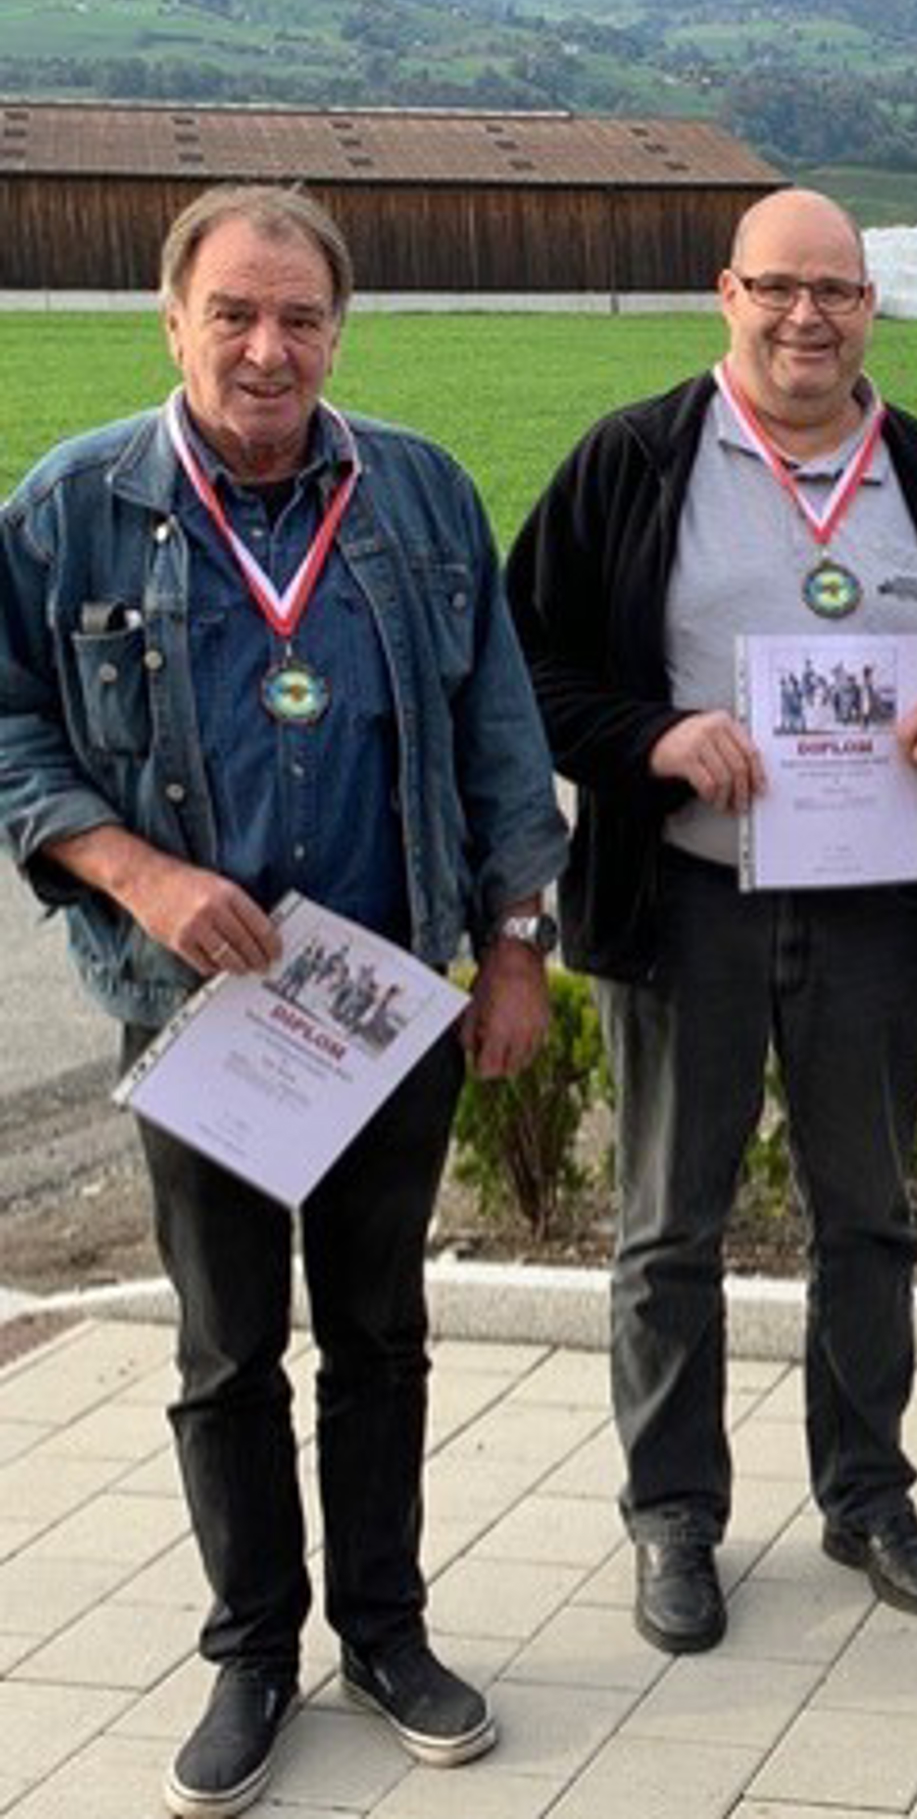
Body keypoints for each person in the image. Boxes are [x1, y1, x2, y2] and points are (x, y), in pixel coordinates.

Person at [0, 183, 568, 1817]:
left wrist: (515, 944)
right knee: (227, 1344)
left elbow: (499, 732)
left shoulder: (421, 493)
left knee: (381, 1332)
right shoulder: (73, 507)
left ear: (339, 328)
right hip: (202, 1014)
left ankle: (385, 1632)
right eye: (234, 314)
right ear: (171, 319)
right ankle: (252, 1649)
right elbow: (10, 723)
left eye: (299, 317)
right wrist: (136, 873)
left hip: (383, 1002)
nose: (267, 348)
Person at [506, 188, 917, 1655]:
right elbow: (522, 661)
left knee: (867, 1217)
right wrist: (651, 737)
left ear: (871, 305)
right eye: (778, 288)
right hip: (689, 898)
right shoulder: (635, 461)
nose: (807, 316)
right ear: (726, 294)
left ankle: (867, 1493)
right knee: (669, 1227)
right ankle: (673, 1514)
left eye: (837, 290)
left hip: (874, 911)